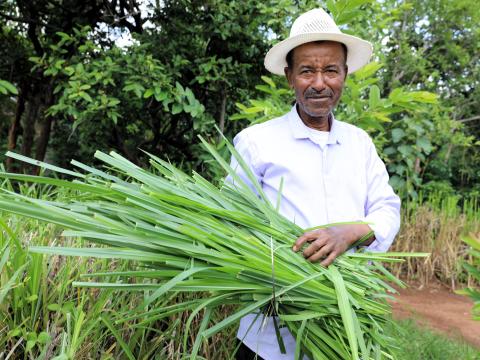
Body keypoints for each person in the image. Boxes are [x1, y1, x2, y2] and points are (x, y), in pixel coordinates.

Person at [229, 8, 401, 360]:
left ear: (345, 75)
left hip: (345, 325)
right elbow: (232, 221)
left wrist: (351, 232)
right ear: (290, 77)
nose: (319, 82)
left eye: (331, 70)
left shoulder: (359, 143)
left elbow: (387, 208)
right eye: (307, 70)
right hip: (267, 335)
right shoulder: (256, 141)